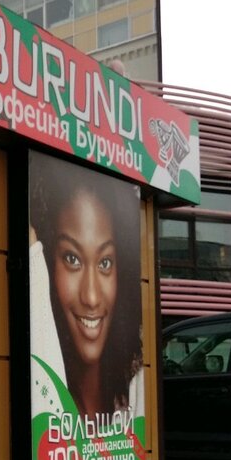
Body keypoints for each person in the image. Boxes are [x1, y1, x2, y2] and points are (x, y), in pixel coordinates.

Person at [30, 174, 143, 420]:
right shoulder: (39, 385)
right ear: (47, 263)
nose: (91, 297)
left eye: (105, 262)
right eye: (72, 259)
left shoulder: (135, 390)